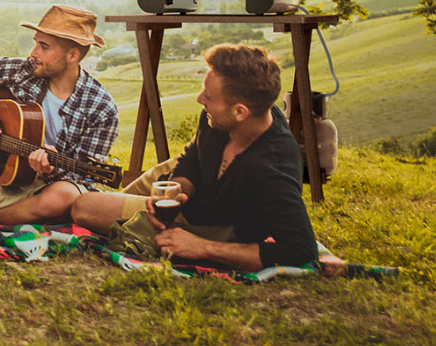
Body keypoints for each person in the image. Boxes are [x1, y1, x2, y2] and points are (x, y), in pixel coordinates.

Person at [72, 43, 318, 270]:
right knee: (107, 206)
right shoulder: (220, 118)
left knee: (83, 207)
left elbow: (301, 251)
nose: (200, 100)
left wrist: (202, 247)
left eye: (208, 98)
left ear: (240, 112)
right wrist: (178, 190)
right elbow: (192, 156)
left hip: (206, 221)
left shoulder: (271, 170)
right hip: (180, 185)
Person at [0, 4, 118, 237]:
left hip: (49, 189)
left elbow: (86, 179)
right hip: (11, 178)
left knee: (64, 196)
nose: (33, 52)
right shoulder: (25, 70)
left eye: (43, 47)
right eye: (36, 42)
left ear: (73, 55)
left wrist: (52, 168)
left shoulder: (102, 108)